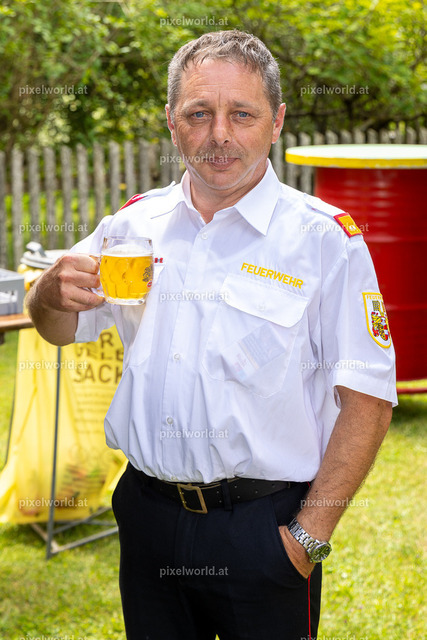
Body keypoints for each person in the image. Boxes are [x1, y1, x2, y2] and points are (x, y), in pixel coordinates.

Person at [27, 30, 397, 640]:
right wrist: (46, 293)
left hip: (263, 527)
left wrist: (306, 539)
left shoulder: (324, 239)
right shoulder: (132, 225)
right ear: (172, 123)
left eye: (242, 114)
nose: (219, 134)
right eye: (199, 113)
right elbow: (60, 330)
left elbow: (369, 399)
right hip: (147, 516)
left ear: (276, 122)